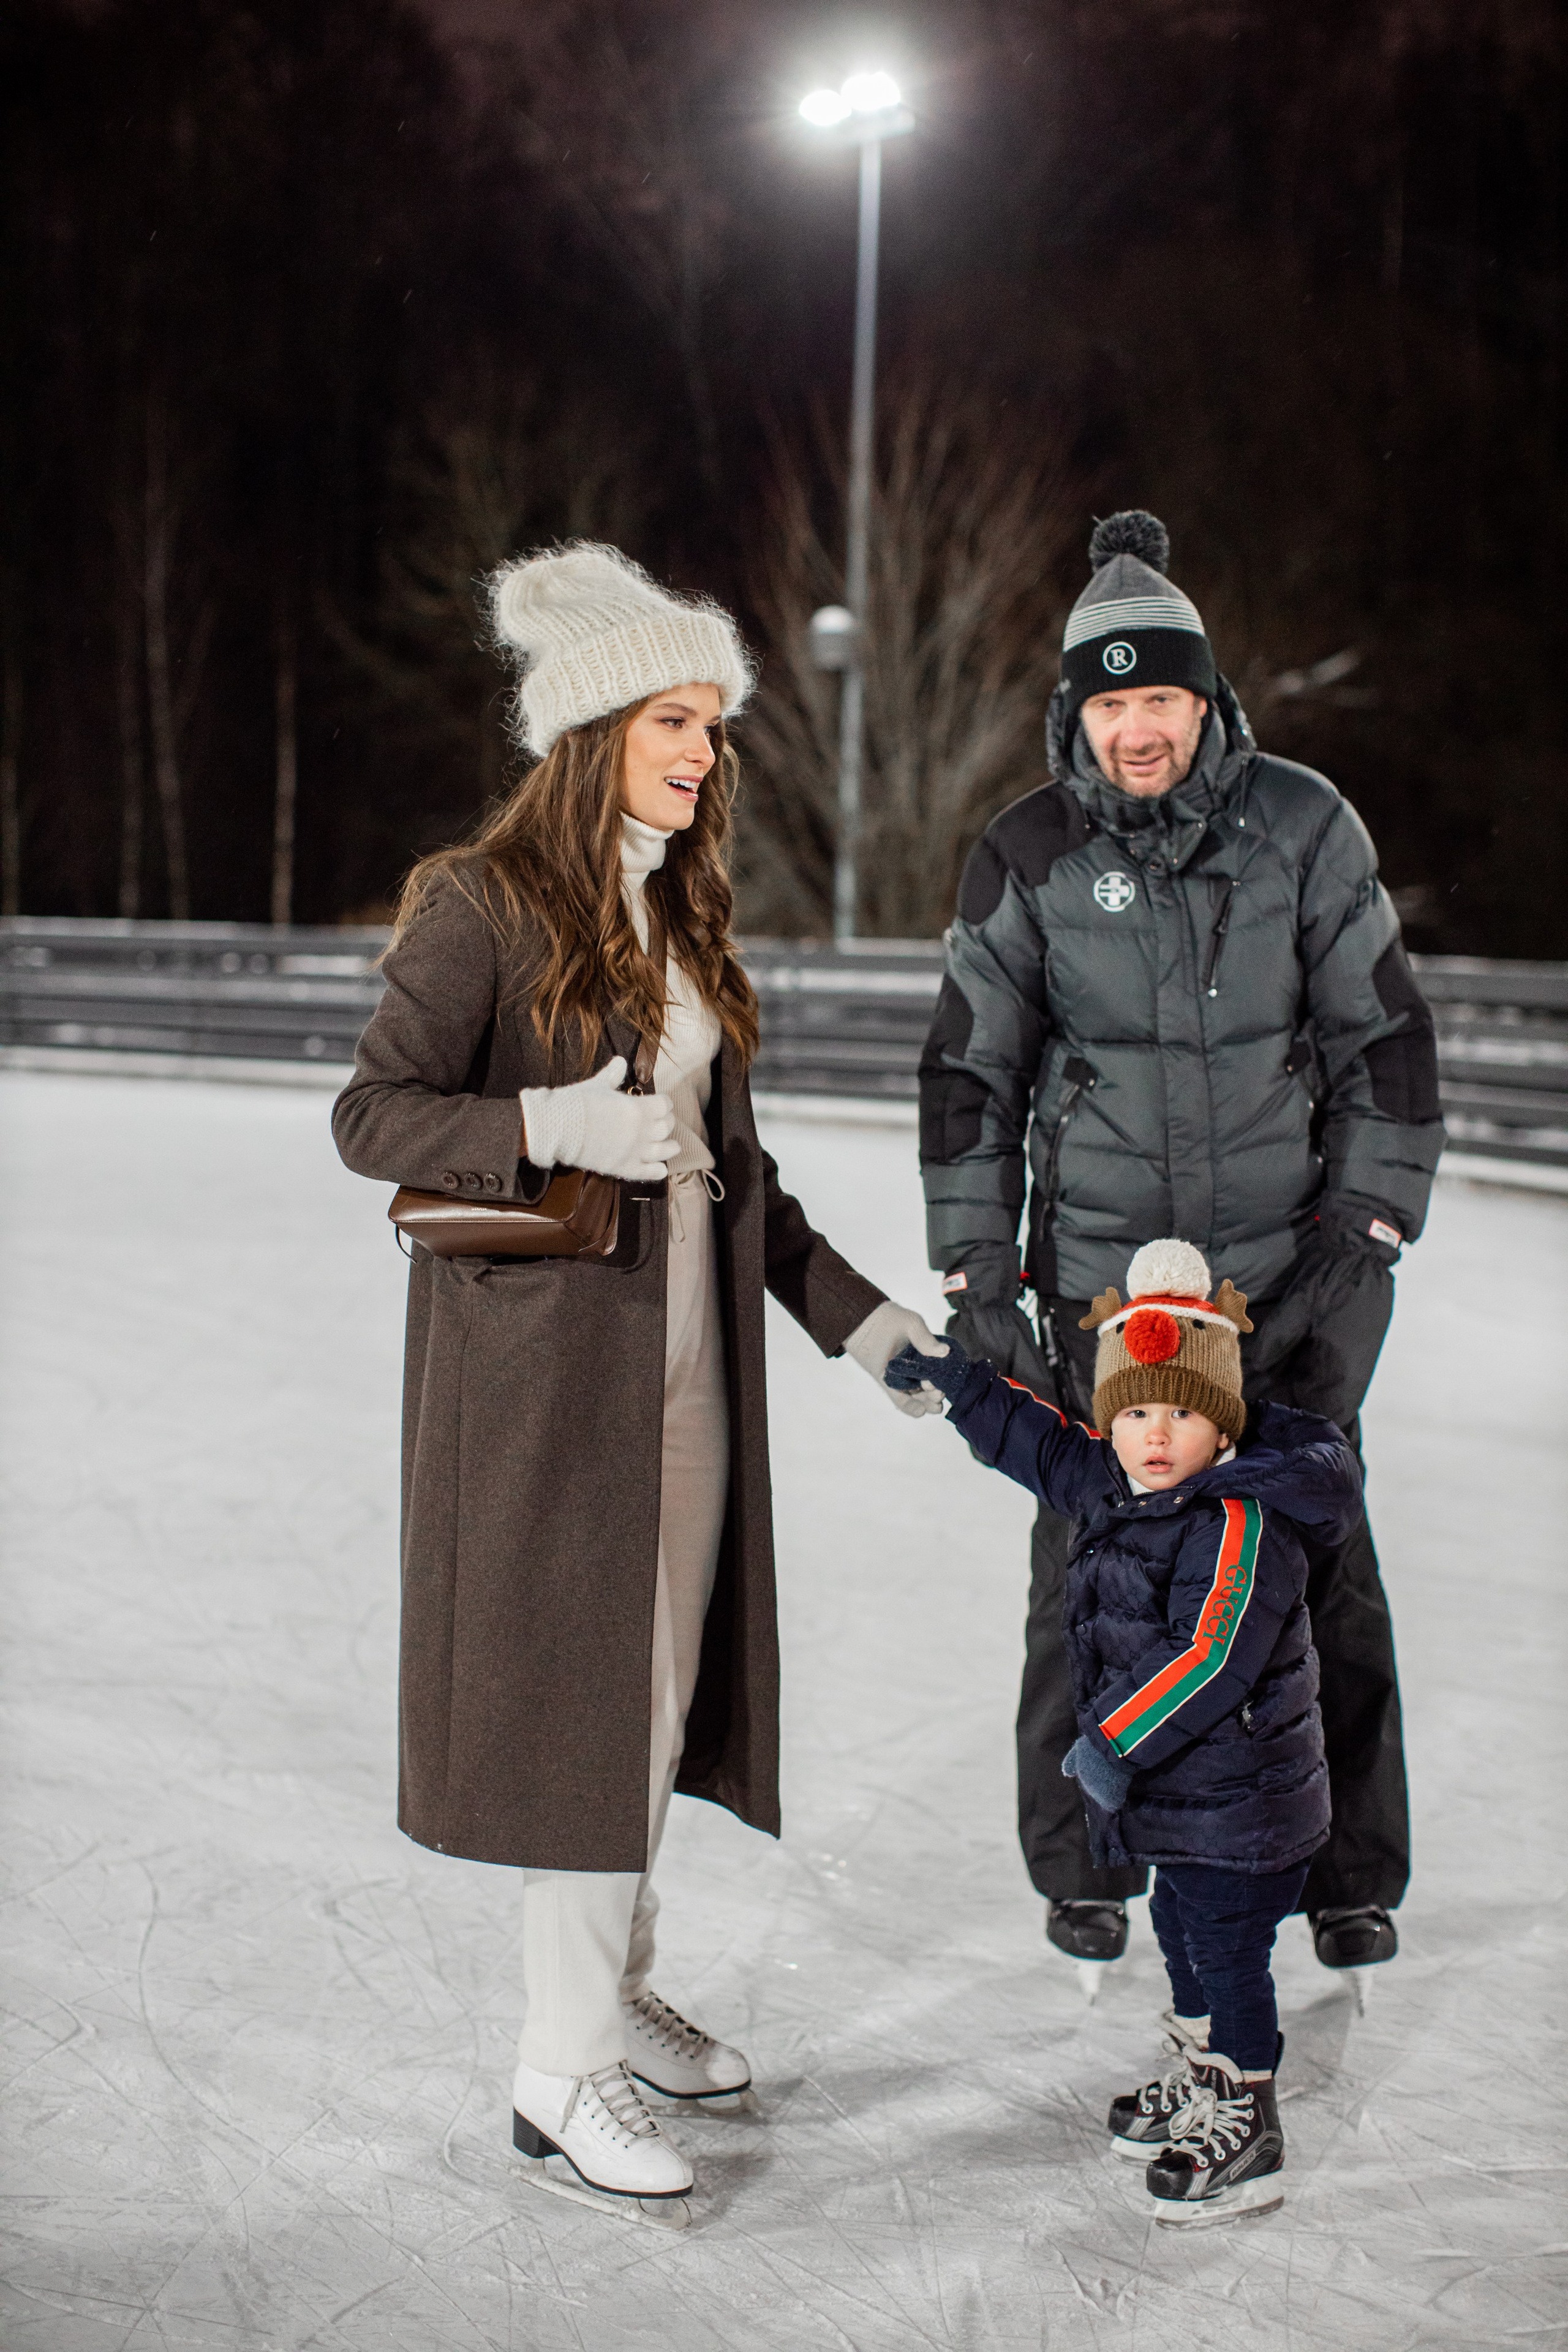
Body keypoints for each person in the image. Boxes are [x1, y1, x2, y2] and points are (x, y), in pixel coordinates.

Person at [333, 543, 944, 2224]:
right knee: (582, 1720)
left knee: (651, 1708)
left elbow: (739, 1183)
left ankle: (612, 1997)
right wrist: (546, 1126)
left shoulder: (676, 921)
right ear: (597, 727)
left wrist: (863, 1320)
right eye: (675, 718)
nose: (703, 750)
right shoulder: (481, 902)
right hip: (545, 1400)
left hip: (685, 1382)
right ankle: (557, 2069)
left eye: (714, 725)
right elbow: (373, 1117)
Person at [918, 509, 1442, 1982]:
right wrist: (976, 1279)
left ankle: (1346, 1871)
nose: (1135, 729)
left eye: (1160, 697)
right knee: (1092, 1568)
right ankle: (1087, 1861)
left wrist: (1367, 1236)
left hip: (1281, 1280)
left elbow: (1381, 1045)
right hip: (1105, 1306)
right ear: (1070, 713)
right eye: (1109, 700)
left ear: (1206, 702)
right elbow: (969, 1078)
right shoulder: (1023, 853)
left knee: (1316, 1563)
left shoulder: (1302, 826)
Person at [886, 1237, 1363, 2226]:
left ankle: (1248, 2112)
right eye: (1136, 1410)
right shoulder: (1115, 1479)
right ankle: (1200, 2075)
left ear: (1221, 1423)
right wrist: (961, 1387)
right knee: (1184, 1937)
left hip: (1244, 1806)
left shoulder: (1241, 1519)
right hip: (1182, 1804)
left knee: (1228, 1956)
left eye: (1182, 1413)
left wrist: (1110, 1743)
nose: (1155, 1434)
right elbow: (1040, 1443)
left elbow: (1213, 1653)